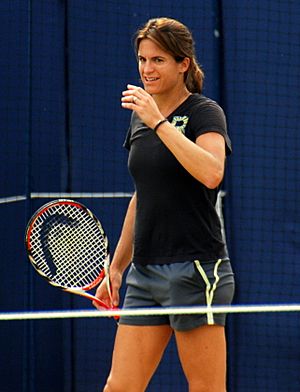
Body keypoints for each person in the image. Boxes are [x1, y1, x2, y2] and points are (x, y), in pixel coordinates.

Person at [93, 17, 235, 392]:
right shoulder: (141, 119)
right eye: (142, 59)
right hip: (145, 274)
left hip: (196, 270)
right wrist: (118, 266)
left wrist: (159, 122)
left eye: (158, 60)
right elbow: (144, 194)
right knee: (119, 387)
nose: (146, 69)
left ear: (182, 63)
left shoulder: (205, 113)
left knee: (206, 388)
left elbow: (212, 173)